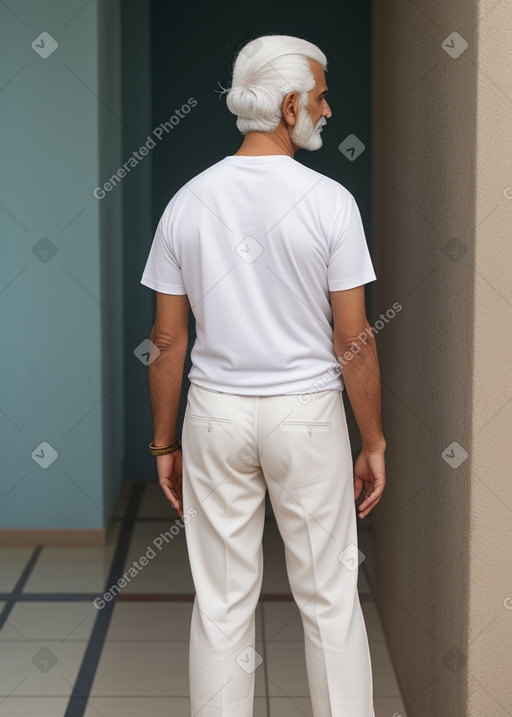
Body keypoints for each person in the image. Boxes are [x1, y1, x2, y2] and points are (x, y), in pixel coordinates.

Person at [140, 33, 386, 717]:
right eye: (321, 96)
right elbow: (354, 341)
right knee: (329, 599)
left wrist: (165, 444)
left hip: (215, 414)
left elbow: (166, 338)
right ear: (288, 105)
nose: (328, 110)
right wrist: (372, 441)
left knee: (221, 605)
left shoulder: (189, 200)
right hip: (306, 417)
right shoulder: (330, 201)